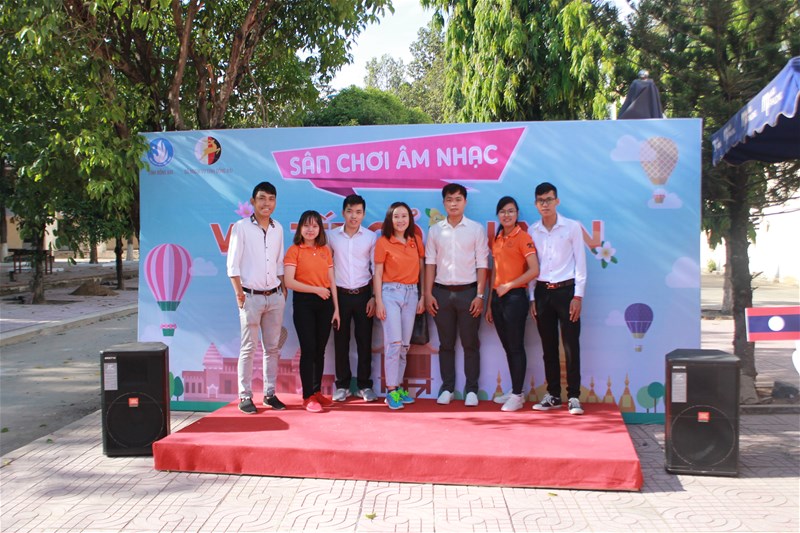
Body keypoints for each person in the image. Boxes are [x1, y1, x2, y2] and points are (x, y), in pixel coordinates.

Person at [424, 183, 490, 406]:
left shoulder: (476, 229)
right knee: (446, 344)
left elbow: (482, 264)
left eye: (458, 199)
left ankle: (471, 389)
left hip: (469, 293)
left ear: (465, 202)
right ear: (443, 203)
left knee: (470, 343)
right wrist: (428, 294)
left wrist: (480, 296)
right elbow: (430, 264)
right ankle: (448, 388)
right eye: (449, 200)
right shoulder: (435, 230)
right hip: (441, 293)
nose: (453, 204)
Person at [227, 181, 287, 415]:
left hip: (275, 296)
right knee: (249, 347)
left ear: (276, 202)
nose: (266, 203)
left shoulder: (278, 228)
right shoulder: (241, 227)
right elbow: (232, 265)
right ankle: (245, 396)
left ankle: (270, 394)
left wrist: (283, 289)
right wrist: (238, 293)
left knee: (272, 348)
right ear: (253, 201)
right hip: (250, 297)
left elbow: (279, 261)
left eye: (271, 199)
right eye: (262, 198)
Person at [528, 182, 587, 415]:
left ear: (557, 201)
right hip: (542, 292)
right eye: (541, 200)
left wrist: (578, 296)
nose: (545, 204)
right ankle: (553, 394)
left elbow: (580, 263)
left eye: (549, 199)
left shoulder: (572, 227)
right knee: (548, 346)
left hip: (567, 291)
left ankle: (573, 396)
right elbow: (531, 267)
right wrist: (532, 298)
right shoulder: (533, 231)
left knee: (571, 345)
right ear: (536, 204)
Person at [486, 196, 539, 412]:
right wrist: (490, 303)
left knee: (516, 347)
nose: (506, 215)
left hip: (515, 298)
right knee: (508, 347)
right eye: (502, 211)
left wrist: (509, 285)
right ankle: (516, 390)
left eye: (511, 211)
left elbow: (534, 270)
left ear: (517, 214)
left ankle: (517, 395)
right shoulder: (497, 238)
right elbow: (495, 271)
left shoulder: (523, 237)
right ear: (498, 215)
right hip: (498, 298)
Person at [284, 210, 340, 413]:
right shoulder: (294, 251)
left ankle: (316, 392)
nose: (310, 230)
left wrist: (336, 309)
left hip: (326, 303)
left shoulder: (325, 250)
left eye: (315, 226)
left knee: (320, 350)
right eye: (306, 225)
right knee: (308, 349)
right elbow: (289, 282)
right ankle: (307, 396)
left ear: (320, 229)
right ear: (300, 228)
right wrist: (316, 290)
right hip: (304, 303)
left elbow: (332, 281)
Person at [374, 202, 425, 410]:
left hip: (412, 294)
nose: (401, 220)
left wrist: (422, 296)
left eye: (404, 216)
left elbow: (422, 270)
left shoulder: (416, 241)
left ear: (410, 219)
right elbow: (378, 273)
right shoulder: (383, 242)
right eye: (396, 216)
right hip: (390, 294)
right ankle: (391, 390)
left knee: (404, 345)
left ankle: (399, 389)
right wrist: (378, 301)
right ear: (390, 219)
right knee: (394, 344)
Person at [328, 194, 378, 402]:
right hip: (339, 296)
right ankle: (343, 385)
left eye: (358, 212)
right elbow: (326, 267)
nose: (353, 216)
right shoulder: (331, 236)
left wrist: (374, 297)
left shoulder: (371, 237)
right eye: (350, 211)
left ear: (364, 214)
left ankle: (365, 385)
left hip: (364, 294)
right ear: (343, 213)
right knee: (341, 342)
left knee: (364, 341)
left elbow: (376, 269)